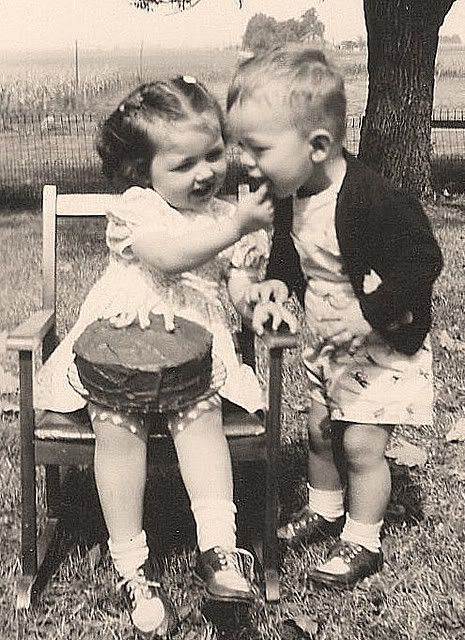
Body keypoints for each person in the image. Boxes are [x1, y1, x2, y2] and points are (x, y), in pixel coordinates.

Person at [35, 76, 294, 638]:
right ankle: (133, 567)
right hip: (120, 345)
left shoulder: (228, 214)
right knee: (117, 428)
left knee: (200, 421)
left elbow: (239, 285)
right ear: (142, 170)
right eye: (183, 164)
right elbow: (170, 257)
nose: (205, 173)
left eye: (213, 155)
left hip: (194, 349)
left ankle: (220, 550)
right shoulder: (136, 209)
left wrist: (258, 298)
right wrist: (233, 227)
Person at [227, 45, 443, 589]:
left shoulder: (373, 197)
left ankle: (362, 537)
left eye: (257, 149)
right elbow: (292, 251)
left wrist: (372, 315)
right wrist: (277, 280)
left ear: (317, 146)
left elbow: (423, 258)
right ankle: (324, 508)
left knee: (361, 445)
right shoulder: (292, 193)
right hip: (326, 338)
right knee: (322, 430)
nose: (245, 163)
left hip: (381, 339)